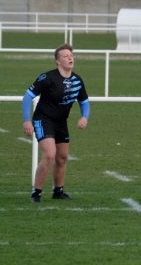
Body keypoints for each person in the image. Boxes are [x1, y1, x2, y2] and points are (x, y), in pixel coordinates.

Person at [22, 44, 90, 203]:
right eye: (65, 56)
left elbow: (84, 101)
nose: (70, 58)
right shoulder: (47, 78)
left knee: (62, 157)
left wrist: (84, 117)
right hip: (43, 119)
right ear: (57, 61)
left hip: (61, 122)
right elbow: (27, 97)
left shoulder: (77, 80)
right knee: (50, 154)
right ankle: (36, 193)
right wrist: (26, 120)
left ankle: (58, 191)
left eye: (71, 55)